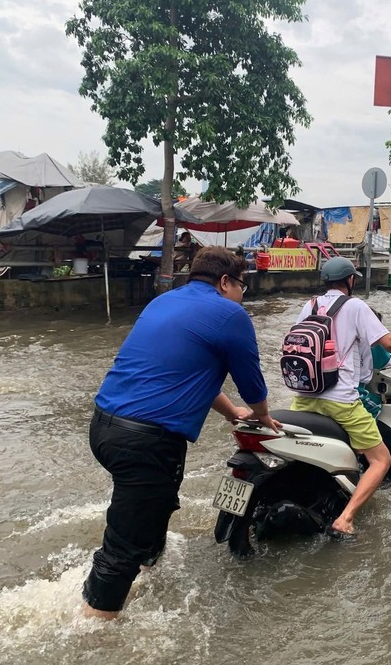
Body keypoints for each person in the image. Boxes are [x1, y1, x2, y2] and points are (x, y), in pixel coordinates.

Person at [83, 246, 279, 620]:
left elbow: (183, 373)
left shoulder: (164, 302)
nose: (242, 294)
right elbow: (253, 386)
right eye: (242, 285)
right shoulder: (230, 314)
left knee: (154, 508)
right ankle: (94, 630)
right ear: (226, 281)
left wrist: (231, 413)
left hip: (105, 426)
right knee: (122, 548)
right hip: (146, 441)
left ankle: (146, 573)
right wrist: (262, 416)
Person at [289, 257, 391, 537]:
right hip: (341, 401)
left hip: (303, 397)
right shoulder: (356, 306)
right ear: (349, 280)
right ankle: (345, 519)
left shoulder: (309, 305)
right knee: (381, 460)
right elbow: (387, 342)